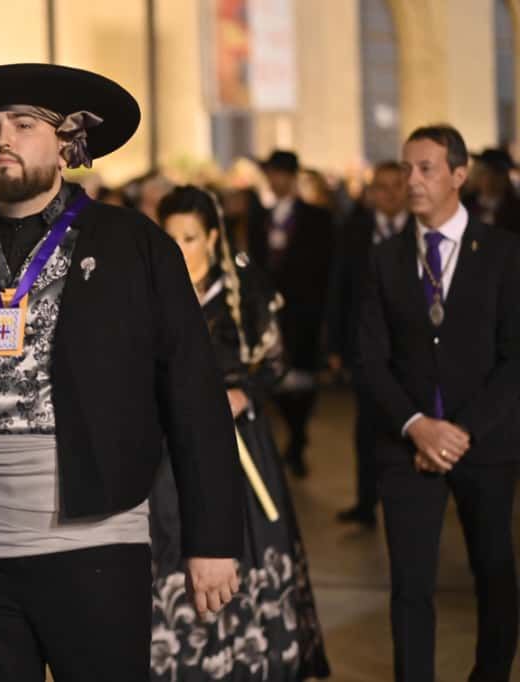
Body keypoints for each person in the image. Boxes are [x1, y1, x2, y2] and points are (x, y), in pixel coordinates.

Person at [0, 63, 243, 682]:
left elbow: (193, 399)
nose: (1, 138)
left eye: (22, 124)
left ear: (67, 144)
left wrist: (213, 538)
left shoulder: (134, 246)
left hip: (94, 538)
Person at [358, 124, 520, 682]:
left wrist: (458, 433)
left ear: (458, 174)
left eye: (426, 168)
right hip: (406, 446)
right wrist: (418, 427)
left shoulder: (502, 253)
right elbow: (369, 358)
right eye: (406, 168)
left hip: (486, 443)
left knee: (495, 572)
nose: (413, 180)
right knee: (409, 585)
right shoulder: (382, 258)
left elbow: (514, 358)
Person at [150, 186, 330, 681]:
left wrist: (242, 393)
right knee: (170, 542)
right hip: (167, 450)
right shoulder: (148, 291)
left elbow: (274, 360)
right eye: (170, 239)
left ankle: (254, 658)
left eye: (190, 238)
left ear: (212, 237)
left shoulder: (244, 289)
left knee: (247, 545)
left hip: (238, 446)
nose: (180, 249)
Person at [329, 161, 413, 529]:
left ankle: (409, 501)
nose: (390, 193)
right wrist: (333, 345)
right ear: (372, 192)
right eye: (382, 186)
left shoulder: (423, 230)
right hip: (366, 349)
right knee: (367, 429)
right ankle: (366, 502)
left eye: (398, 185)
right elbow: (338, 288)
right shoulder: (356, 230)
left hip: (412, 353)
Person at [249, 150, 334, 477]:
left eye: (280, 173)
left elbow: (326, 268)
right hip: (272, 313)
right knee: (277, 378)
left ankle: (298, 440)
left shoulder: (317, 218)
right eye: (271, 174)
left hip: (305, 313)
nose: (275, 180)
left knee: (302, 379)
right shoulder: (261, 218)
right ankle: (289, 439)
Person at [466, 147, 520, 235]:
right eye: (485, 172)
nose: (490, 179)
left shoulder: (515, 209)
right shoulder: (466, 204)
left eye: (497, 174)